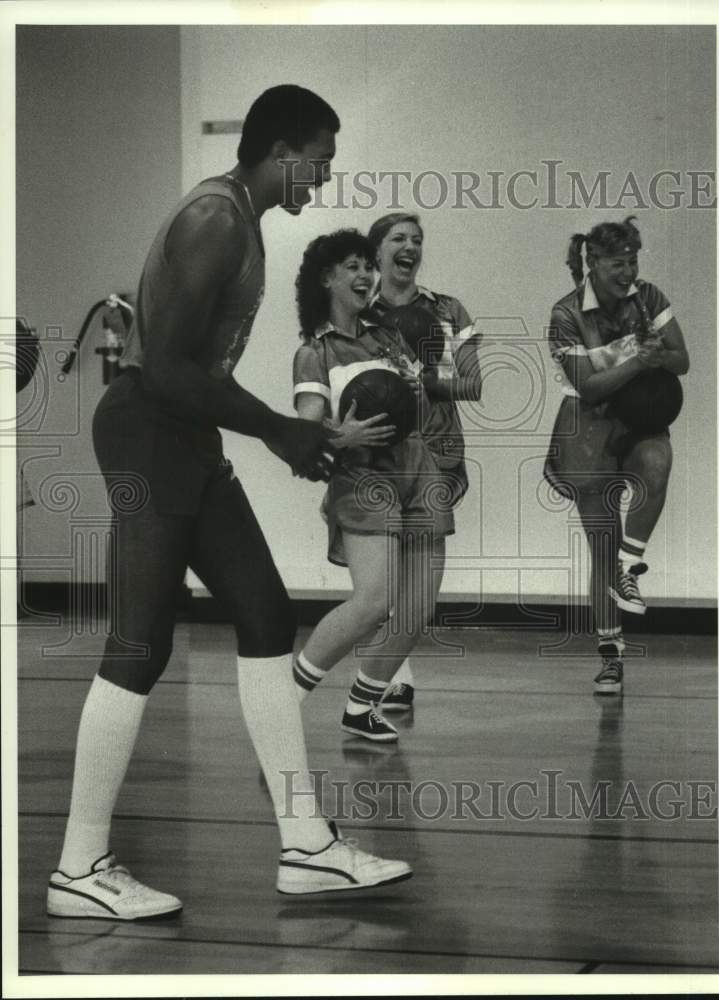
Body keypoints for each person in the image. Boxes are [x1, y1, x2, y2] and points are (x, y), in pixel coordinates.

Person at [47, 86, 412, 921]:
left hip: (183, 437)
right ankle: (79, 865)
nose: (321, 180)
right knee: (139, 645)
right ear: (282, 151)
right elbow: (169, 368)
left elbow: (194, 378)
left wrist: (280, 433)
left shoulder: (240, 220)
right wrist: (279, 430)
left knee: (264, 611)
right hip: (149, 431)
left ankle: (307, 846)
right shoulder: (215, 220)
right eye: (318, 163)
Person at [291, 229, 454, 742]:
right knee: (373, 603)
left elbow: (422, 403)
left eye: (368, 265)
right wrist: (343, 434)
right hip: (363, 475)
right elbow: (305, 430)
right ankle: (282, 702)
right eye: (353, 267)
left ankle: (363, 705)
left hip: (418, 470)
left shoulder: (389, 336)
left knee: (416, 607)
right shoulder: (315, 352)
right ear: (327, 279)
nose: (366, 275)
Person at [544, 216, 689, 695]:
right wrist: (640, 360)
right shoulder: (565, 314)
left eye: (633, 260)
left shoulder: (649, 297)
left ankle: (633, 565)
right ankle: (610, 657)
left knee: (658, 463)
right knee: (600, 550)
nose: (628, 271)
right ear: (594, 263)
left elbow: (681, 359)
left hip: (638, 419)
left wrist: (659, 359)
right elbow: (588, 387)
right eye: (617, 263)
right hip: (587, 429)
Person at [363, 213, 482, 714]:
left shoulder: (447, 309)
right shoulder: (358, 311)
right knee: (376, 581)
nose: (410, 246)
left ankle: (387, 673)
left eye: (417, 239)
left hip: (435, 454)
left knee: (417, 586)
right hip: (376, 456)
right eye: (398, 239)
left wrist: (425, 381)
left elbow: (472, 383)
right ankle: (389, 679)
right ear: (377, 253)